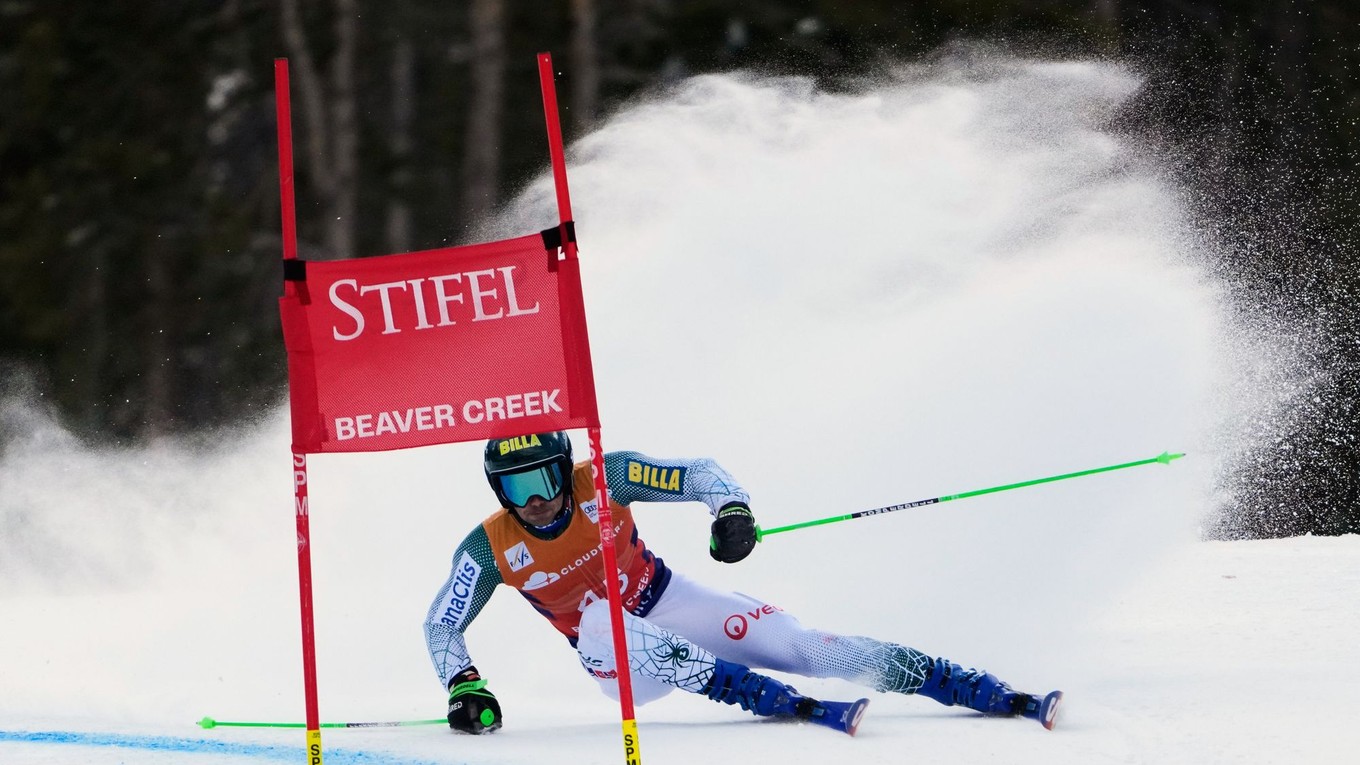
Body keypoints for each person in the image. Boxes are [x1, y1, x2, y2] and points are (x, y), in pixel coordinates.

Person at [424, 431, 1060, 736]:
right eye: (514, 488)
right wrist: (465, 685)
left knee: (807, 646)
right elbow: (441, 621)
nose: (532, 500)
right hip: (618, 662)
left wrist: (730, 512)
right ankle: (778, 702)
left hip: (671, 599)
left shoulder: (607, 479)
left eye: (542, 480)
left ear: (565, 470)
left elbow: (698, 473)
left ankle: (981, 690)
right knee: (598, 619)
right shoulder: (489, 547)